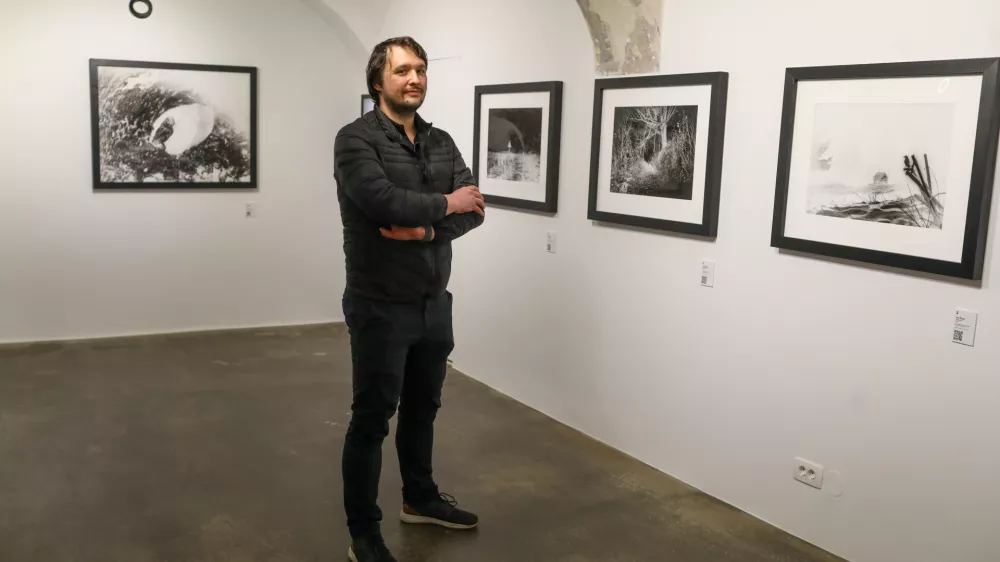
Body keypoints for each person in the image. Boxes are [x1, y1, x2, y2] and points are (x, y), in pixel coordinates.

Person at [333, 36, 486, 562]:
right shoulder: (356, 140)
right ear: (379, 80)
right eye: (402, 71)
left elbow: (475, 208)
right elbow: (381, 200)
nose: (414, 79)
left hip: (432, 301)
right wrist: (446, 201)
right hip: (379, 303)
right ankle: (363, 533)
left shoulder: (440, 140)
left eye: (420, 69)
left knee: (424, 409)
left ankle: (419, 499)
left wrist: (422, 232)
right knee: (372, 419)